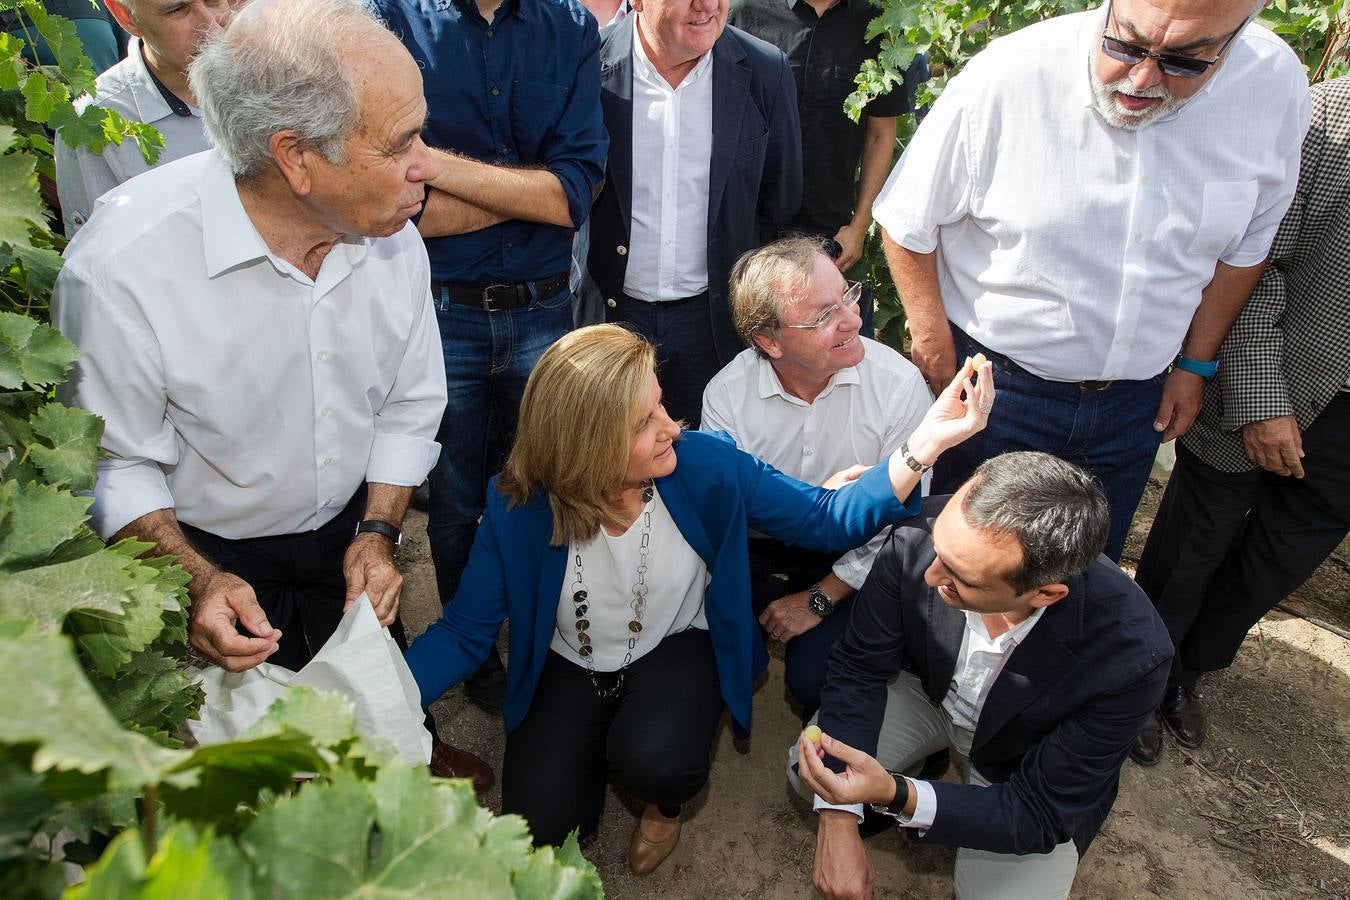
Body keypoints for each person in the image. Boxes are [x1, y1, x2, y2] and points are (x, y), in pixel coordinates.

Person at [51, 0, 490, 789]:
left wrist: (380, 532)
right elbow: (116, 464)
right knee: (247, 786)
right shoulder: (124, 269)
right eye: (400, 143)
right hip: (210, 560)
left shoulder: (391, 239)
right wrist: (196, 581)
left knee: (380, 740)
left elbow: (410, 404)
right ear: (296, 158)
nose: (427, 163)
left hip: (345, 543)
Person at [405, 324, 994, 873]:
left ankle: (663, 807)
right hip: (571, 658)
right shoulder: (518, 506)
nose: (671, 426)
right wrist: (372, 701)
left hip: (676, 644)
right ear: (586, 445)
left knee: (661, 760)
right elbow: (462, 634)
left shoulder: (704, 462)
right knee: (542, 832)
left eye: (661, 404)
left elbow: (825, 519)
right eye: (644, 422)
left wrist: (923, 445)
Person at [873, 0, 1310, 561]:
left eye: (1185, 61)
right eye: (1125, 44)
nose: (1143, 76)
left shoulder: (1273, 84)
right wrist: (933, 343)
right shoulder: (1011, 76)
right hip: (998, 390)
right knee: (963, 570)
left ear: (1238, 34)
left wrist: (1195, 364)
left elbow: (1247, 246)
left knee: (1082, 578)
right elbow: (908, 221)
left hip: (1137, 405)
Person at [794, 452, 1172, 900]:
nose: (931, 575)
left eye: (961, 579)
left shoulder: (1131, 654)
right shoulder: (922, 533)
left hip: (1022, 762)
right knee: (809, 770)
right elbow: (858, 668)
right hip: (927, 697)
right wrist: (839, 816)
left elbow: (1038, 813)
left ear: (1046, 593)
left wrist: (899, 794)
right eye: (939, 552)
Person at [372, 0, 609, 710]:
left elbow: (574, 194)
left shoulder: (568, 27)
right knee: (453, 503)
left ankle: (553, 631)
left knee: (554, 480)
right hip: (441, 316)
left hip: (544, 310)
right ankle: (472, 646)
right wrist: (528, 192)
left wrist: (439, 165)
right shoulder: (388, 21)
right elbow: (396, 202)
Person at [1130, 75, 1350, 766]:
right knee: (1195, 543)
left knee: (1276, 563)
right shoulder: (1326, 115)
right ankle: (1135, 678)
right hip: (1275, 381)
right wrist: (1264, 399)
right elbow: (1252, 260)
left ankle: (1184, 673)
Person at [701, 237, 930, 716]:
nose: (854, 319)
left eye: (848, 295)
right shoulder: (726, 397)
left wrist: (824, 595)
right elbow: (715, 517)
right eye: (824, 315)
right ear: (769, 341)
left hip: (857, 553)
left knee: (819, 678)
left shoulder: (899, 386)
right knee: (715, 662)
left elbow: (906, 527)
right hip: (752, 550)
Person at [587, 0, 803, 427]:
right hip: (610, 316)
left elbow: (780, 203)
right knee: (608, 465)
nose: (708, 6)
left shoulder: (764, 69)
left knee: (707, 465)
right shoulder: (587, 64)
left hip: (714, 324)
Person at [726, 0, 927, 335]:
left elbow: (880, 136)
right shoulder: (743, 12)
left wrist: (859, 226)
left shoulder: (876, 24)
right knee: (750, 354)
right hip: (751, 234)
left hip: (832, 240)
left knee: (837, 354)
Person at [54, 0, 236, 236]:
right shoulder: (93, 122)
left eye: (214, 1)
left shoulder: (280, 67)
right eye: (177, 10)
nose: (211, 26)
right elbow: (99, 262)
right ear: (125, 16)